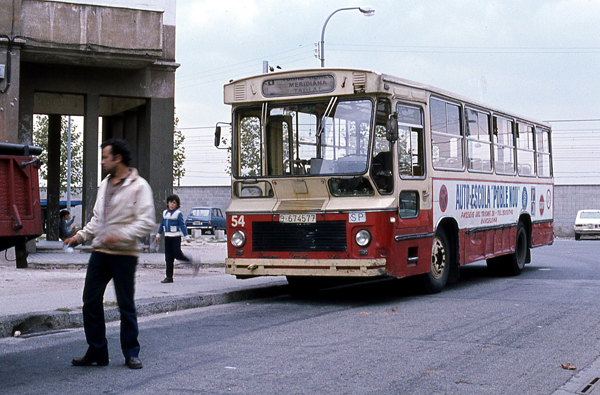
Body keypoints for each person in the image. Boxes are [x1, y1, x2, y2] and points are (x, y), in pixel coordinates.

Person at [64, 138, 155, 370]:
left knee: (126, 305)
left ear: (118, 158)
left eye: (105, 157)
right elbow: (97, 220)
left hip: (125, 255)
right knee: (90, 301)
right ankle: (97, 351)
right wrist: (79, 237)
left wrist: (120, 235)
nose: (102, 162)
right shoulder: (104, 185)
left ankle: (131, 353)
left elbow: (146, 223)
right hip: (100, 253)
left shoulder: (139, 186)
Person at [155, 194, 199, 283]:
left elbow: (182, 225)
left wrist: (187, 236)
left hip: (175, 238)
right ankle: (169, 277)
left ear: (177, 205)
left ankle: (192, 262)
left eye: (174, 203)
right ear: (167, 203)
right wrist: (158, 235)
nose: (172, 204)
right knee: (168, 258)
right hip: (167, 237)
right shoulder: (165, 213)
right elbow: (162, 225)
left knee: (177, 254)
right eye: (170, 202)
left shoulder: (178, 213)